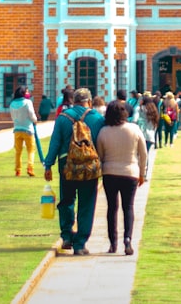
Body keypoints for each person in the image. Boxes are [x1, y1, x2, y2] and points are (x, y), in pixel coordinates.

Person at [44, 88, 105, 255]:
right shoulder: (97, 118)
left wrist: (48, 165)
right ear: (89, 102)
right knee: (87, 203)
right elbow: (101, 144)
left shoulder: (63, 118)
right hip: (89, 166)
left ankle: (66, 236)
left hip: (66, 164)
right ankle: (80, 243)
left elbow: (55, 143)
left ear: (74, 101)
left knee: (67, 200)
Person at [96, 100, 148, 256]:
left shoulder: (104, 131)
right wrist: (142, 174)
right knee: (128, 207)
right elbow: (143, 153)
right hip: (130, 172)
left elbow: (100, 155)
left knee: (112, 208)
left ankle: (113, 243)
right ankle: (127, 239)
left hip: (110, 173)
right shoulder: (134, 129)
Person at [10, 86, 39, 176]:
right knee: (31, 150)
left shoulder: (12, 103)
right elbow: (32, 114)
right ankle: (30, 168)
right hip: (28, 129)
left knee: (18, 151)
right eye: (27, 91)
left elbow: (12, 117)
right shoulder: (27, 102)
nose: (28, 93)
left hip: (17, 129)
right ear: (23, 93)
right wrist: (35, 120)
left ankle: (18, 170)